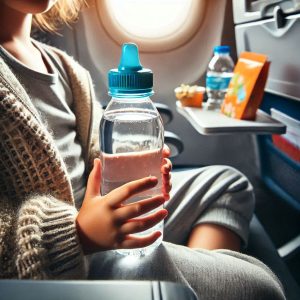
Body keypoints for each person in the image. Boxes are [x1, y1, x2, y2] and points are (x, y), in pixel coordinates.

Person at [0, 1, 285, 299]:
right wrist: (79, 234)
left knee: (227, 182)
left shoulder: (63, 66)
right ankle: (166, 275)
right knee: (264, 289)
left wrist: (132, 164)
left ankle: (179, 281)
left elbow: (98, 150)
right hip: (68, 256)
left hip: (104, 208)